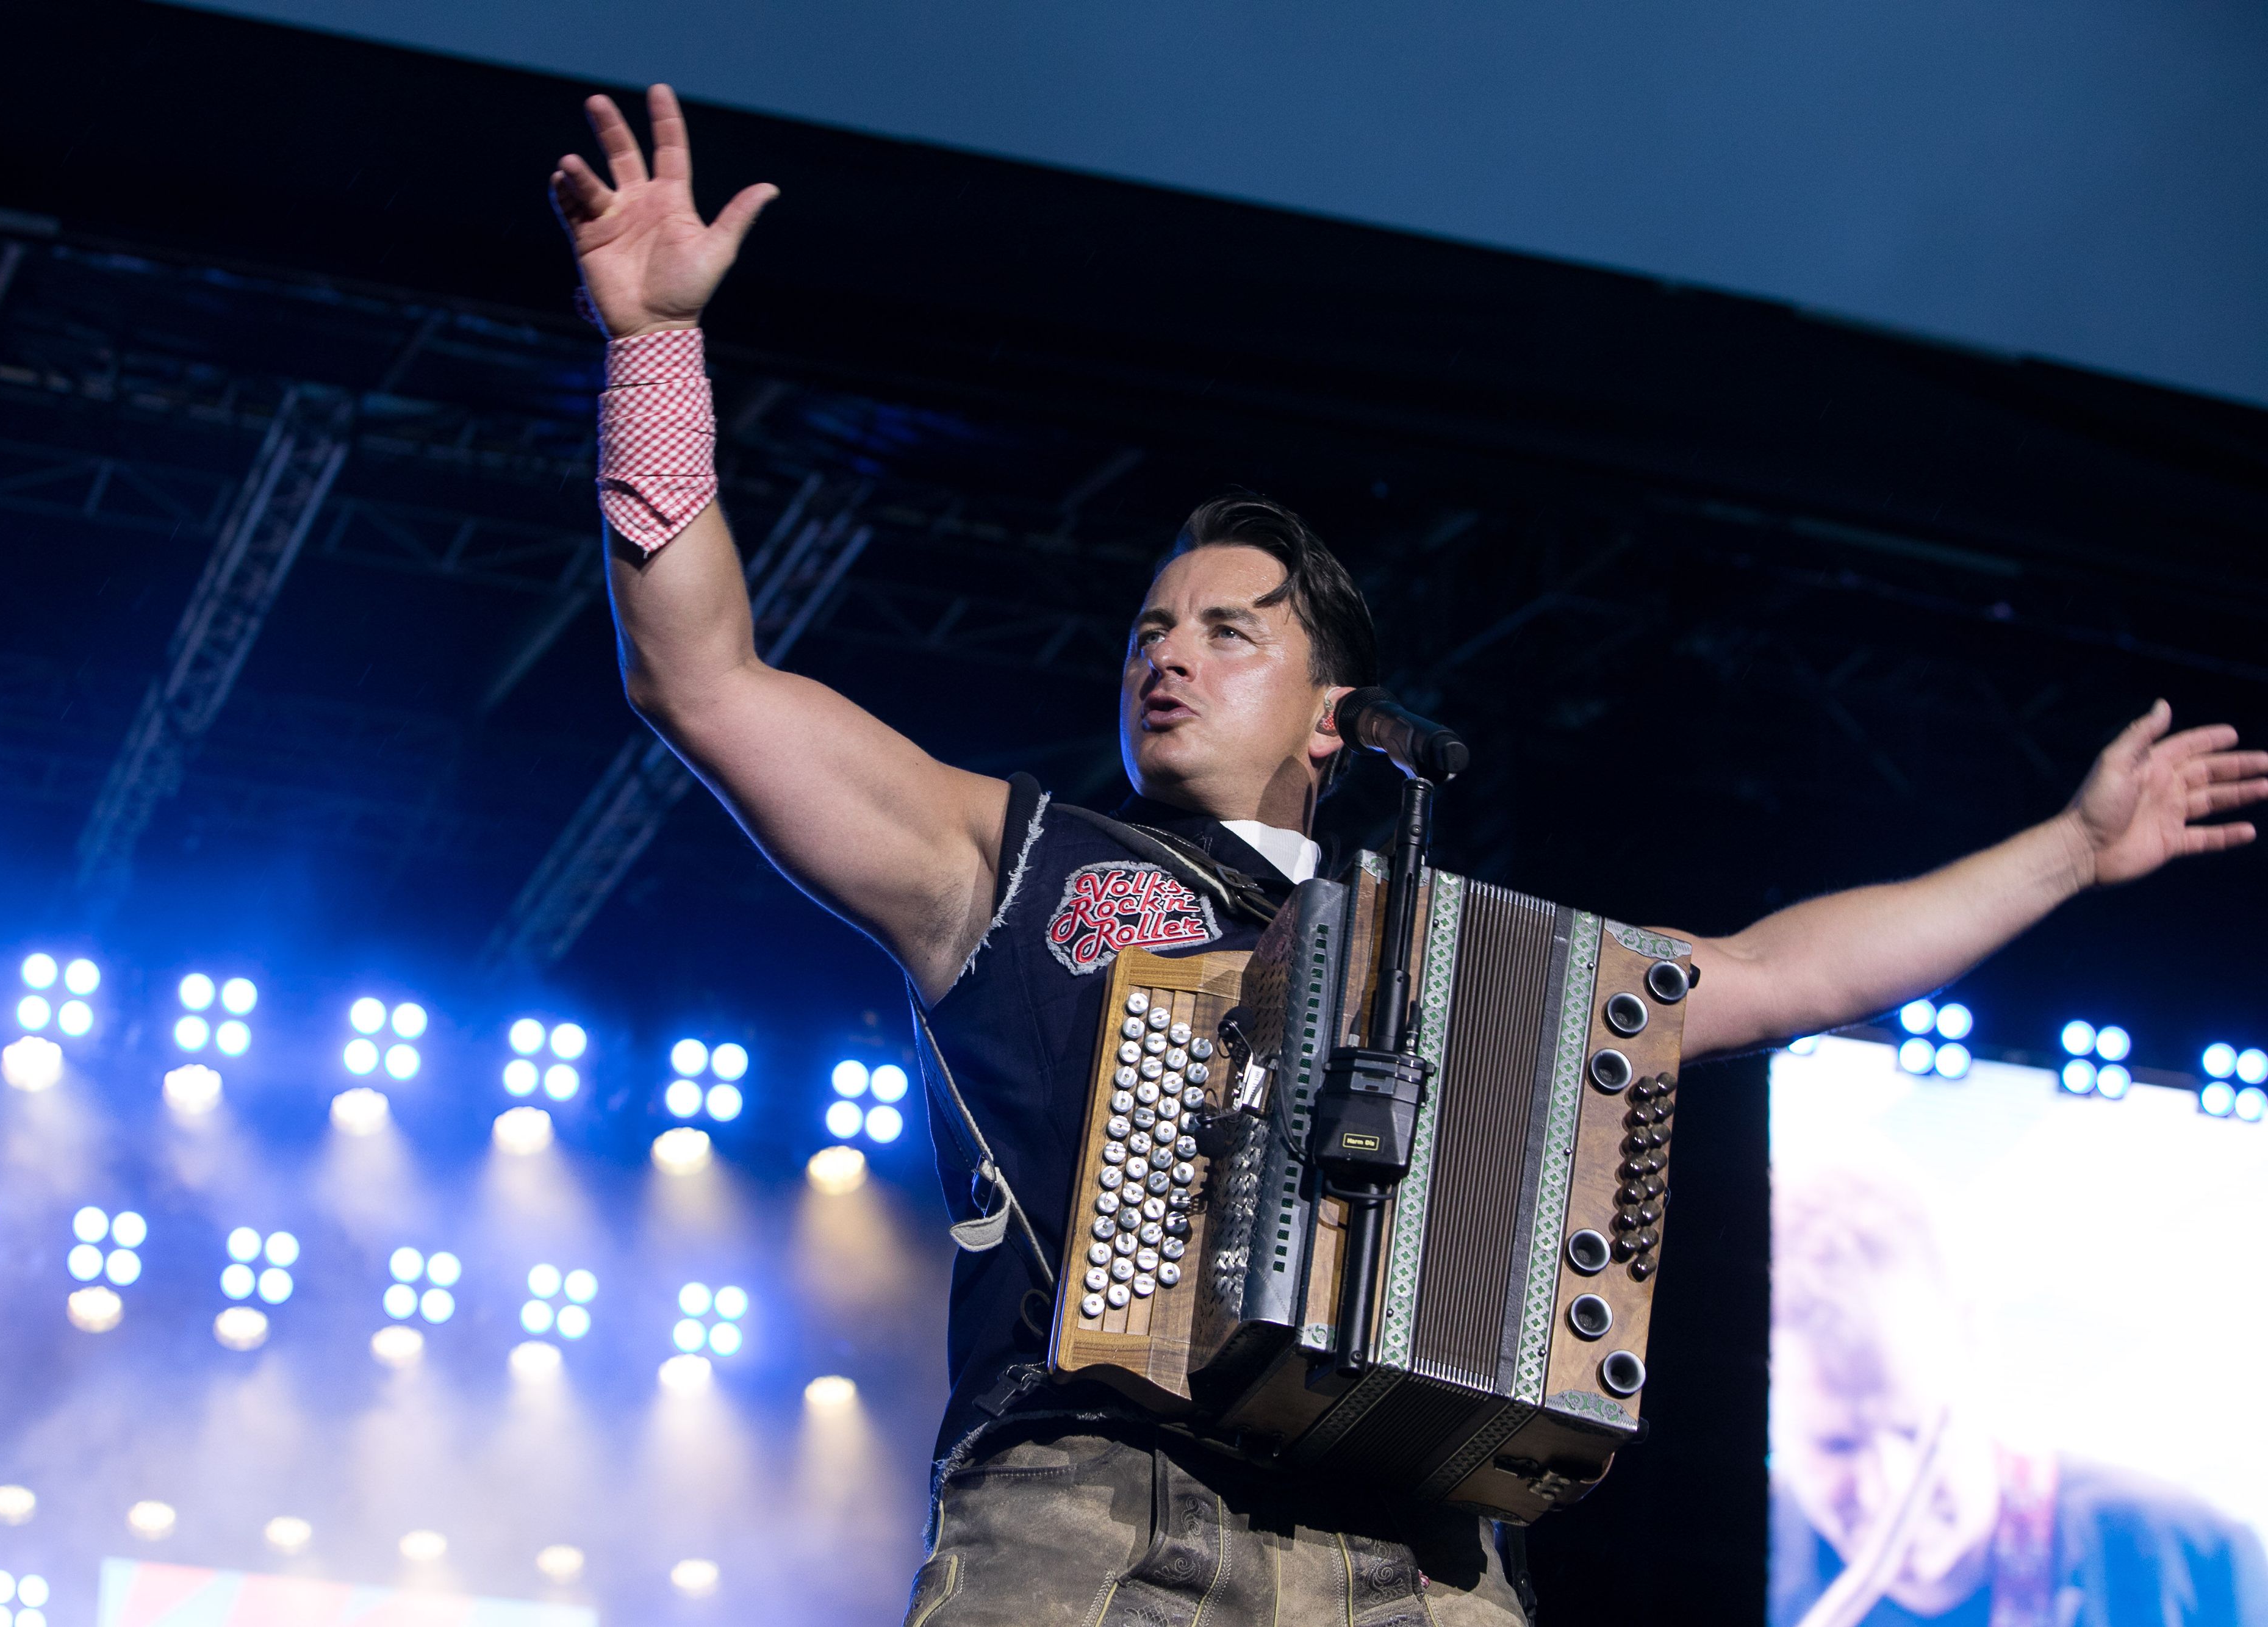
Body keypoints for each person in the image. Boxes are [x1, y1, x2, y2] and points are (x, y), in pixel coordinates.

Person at [547, 86, 2268, 1625]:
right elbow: (702, 678)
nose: (1167, 650)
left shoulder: (1445, 952)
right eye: (1150, 625)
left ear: (1330, 713)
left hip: (1419, 1543)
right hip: (1092, 1505)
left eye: (1230, 627)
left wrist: (2064, 848)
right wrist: (652, 349)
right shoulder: (1006, 855)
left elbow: (1777, 972)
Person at [1771, 1166, 2268, 1627]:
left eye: (1915, 1430)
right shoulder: (1725, 1562)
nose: (1891, 1490)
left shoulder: (2203, 1561)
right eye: (1835, 1445)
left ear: (1978, 1346)